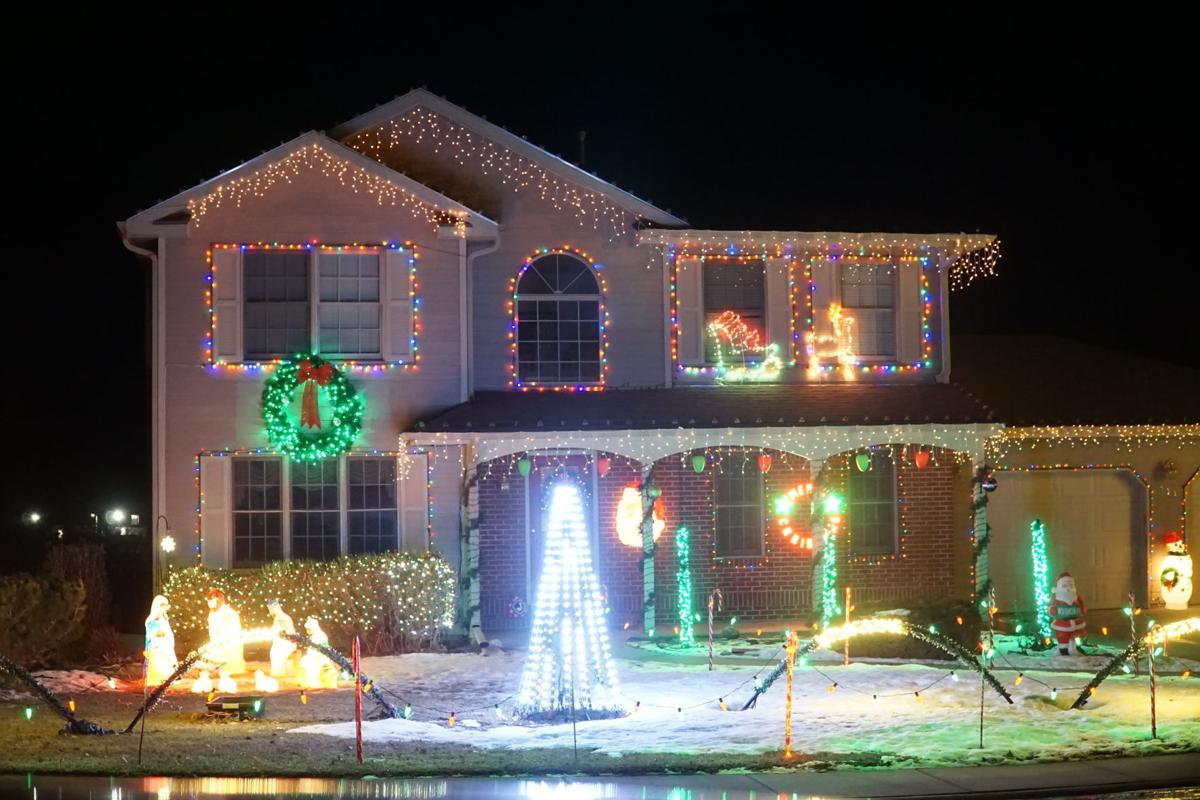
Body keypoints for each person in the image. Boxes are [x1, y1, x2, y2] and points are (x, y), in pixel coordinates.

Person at [206, 588, 246, 675]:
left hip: (228, 647)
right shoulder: (212, 613)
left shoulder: (229, 614)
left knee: (228, 667)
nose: (210, 602)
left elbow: (232, 633)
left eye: (213, 599)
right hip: (216, 644)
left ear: (220, 599)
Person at [1048, 572, 1087, 656]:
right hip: (1062, 624)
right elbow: (1050, 606)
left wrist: (1083, 609)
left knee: (1074, 637)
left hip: (1075, 622)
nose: (1068, 588)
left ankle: (1073, 649)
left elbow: (1081, 603)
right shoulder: (1056, 596)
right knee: (1062, 637)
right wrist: (1052, 610)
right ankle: (1063, 651)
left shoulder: (1075, 596)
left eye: (1070, 585)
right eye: (1065, 585)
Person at [144, 595, 177, 686]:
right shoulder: (152, 620)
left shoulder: (164, 619)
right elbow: (152, 634)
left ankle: (168, 678)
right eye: (163, 606)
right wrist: (159, 636)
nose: (165, 609)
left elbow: (167, 631)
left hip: (166, 646)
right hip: (157, 647)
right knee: (158, 664)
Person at [299, 617, 338, 689]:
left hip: (321, 657)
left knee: (311, 663)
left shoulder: (319, 636)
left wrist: (311, 656)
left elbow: (320, 649)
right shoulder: (313, 636)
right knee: (306, 661)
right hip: (315, 656)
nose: (307, 631)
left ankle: (313, 682)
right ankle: (310, 681)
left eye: (309, 629)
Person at [266, 598, 298, 677]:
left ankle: (283, 674)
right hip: (279, 643)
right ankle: (278, 673)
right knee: (274, 653)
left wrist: (282, 635)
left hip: (287, 644)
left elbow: (289, 632)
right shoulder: (276, 619)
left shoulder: (284, 618)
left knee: (278, 654)